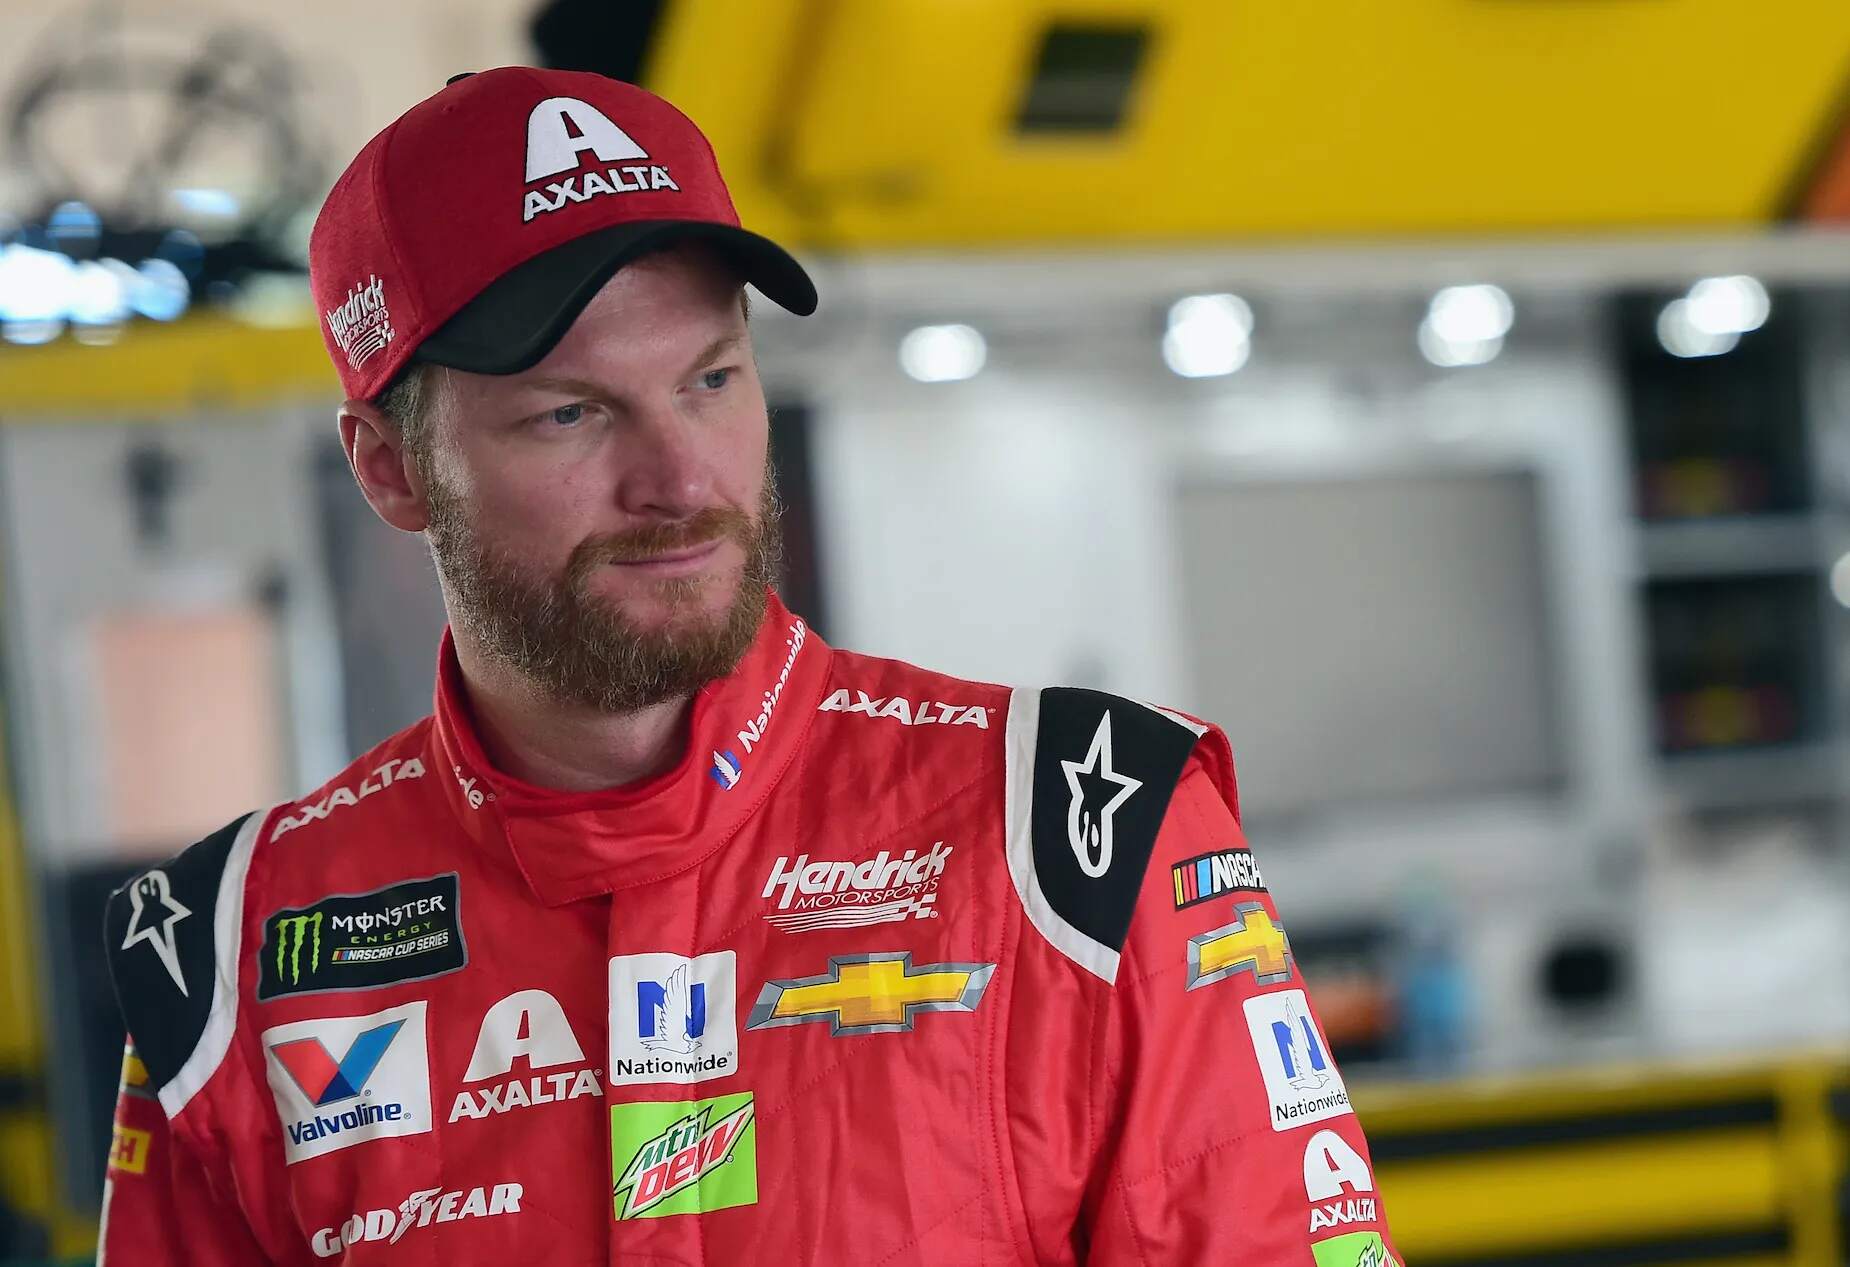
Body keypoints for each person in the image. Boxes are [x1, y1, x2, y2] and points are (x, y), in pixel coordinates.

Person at [98, 67, 1401, 1266]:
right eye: (572, 413)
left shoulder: (1077, 830)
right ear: (388, 467)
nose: (680, 484)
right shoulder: (229, 958)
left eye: (711, 379)